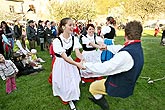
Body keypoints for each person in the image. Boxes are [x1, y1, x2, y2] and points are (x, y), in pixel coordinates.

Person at [82, 20, 144, 110]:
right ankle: (100, 99)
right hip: (127, 81)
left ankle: (104, 105)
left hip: (121, 86)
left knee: (93, 87)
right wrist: (107, 47)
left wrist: (85, 65)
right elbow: (121, 48)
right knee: (98, 84)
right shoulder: (136, 46)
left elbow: (104, 68)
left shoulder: (125, 55)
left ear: (125, 34)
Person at [52, 17, 84, 110]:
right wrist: (77, 64)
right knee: (64, 81)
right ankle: (69, 99)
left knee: (74, 79)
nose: (72, 27)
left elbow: (78, 53)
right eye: (70, 25)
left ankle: (73, 96)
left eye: (73, 25)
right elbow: (65, 57)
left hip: (70, 61)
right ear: (63, 27)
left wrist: (82, 59)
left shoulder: (74, 39)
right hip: (61, 63)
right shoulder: (57, 41)